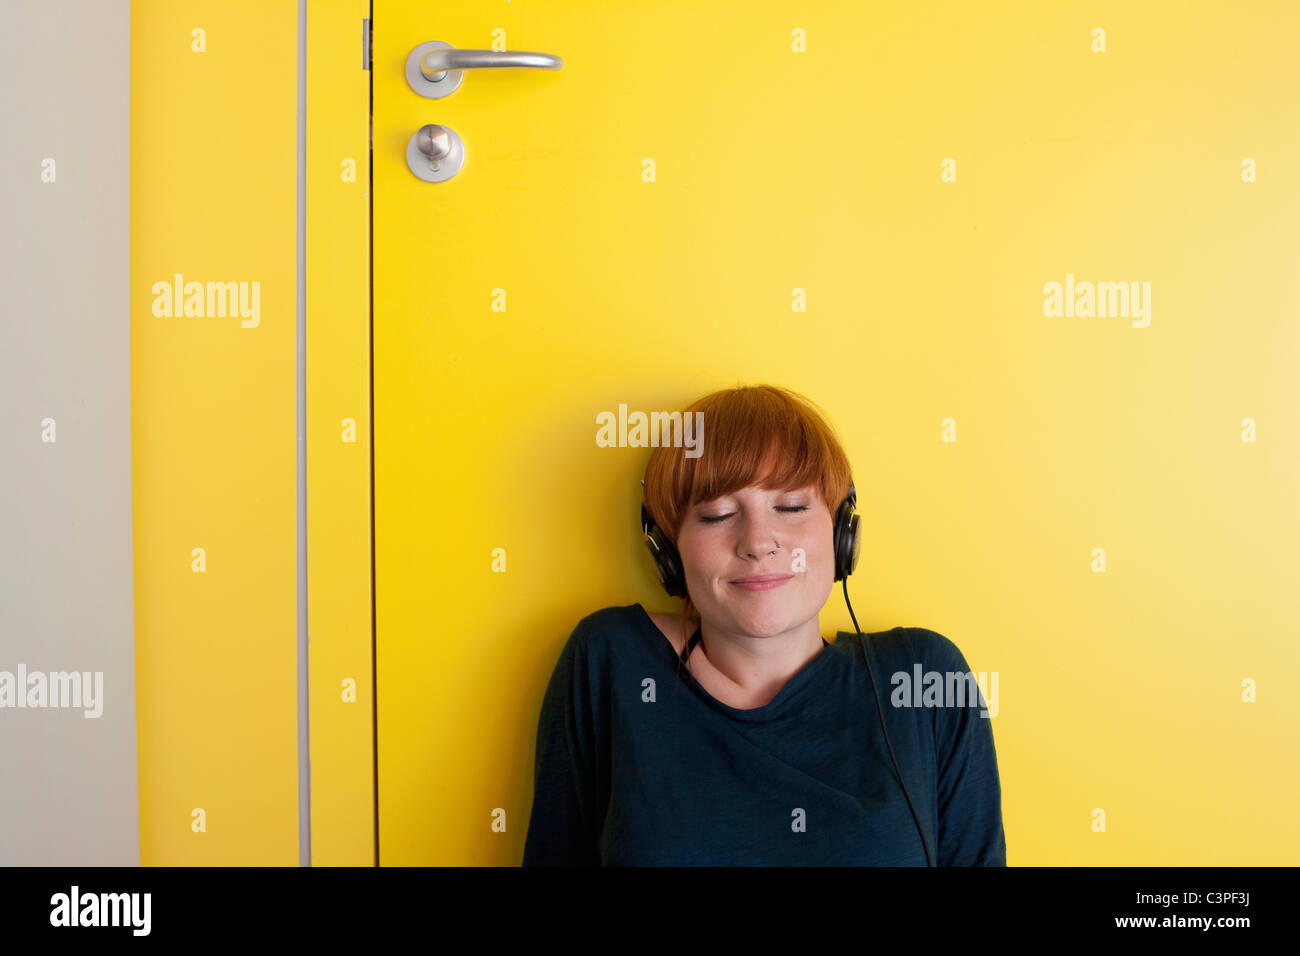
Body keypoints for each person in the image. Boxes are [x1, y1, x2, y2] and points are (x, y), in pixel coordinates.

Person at [522, 384, 1007, 865]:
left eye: (792, 507)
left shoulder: (925, 677)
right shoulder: (611, 661)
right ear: (668, 554)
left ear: (842, 534)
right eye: (716, 515)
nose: (758, 542)